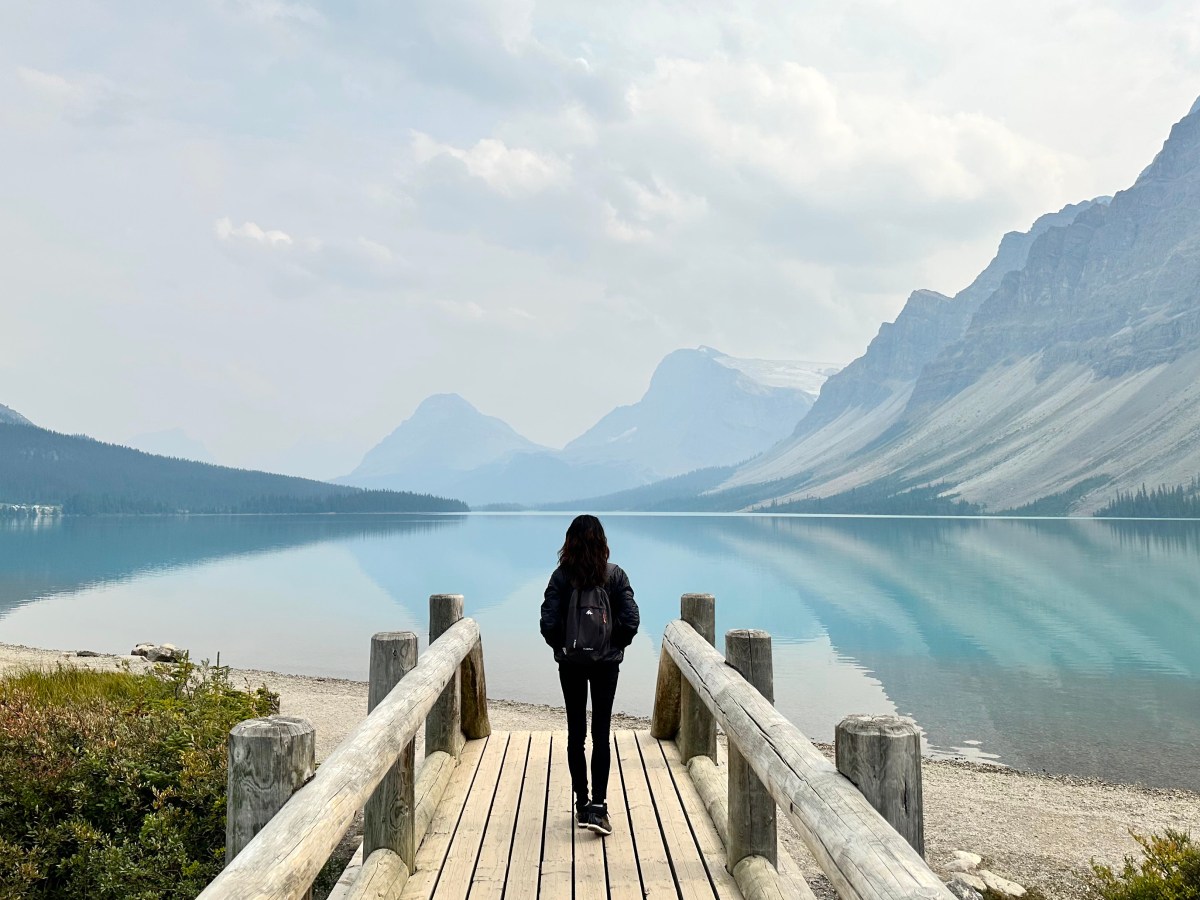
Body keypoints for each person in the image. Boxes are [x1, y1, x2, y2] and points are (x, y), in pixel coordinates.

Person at [539, 514, 639, 837]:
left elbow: (548, 623)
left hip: (570, 664)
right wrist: (610, 644)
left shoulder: (560, 577)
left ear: (569, 542)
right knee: (601, 732)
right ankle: (599, 805)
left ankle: (581, 803)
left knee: (575, 733)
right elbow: (631, 620)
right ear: (602, 542)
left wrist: (565, 648)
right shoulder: (615, 575)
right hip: (607, 665)